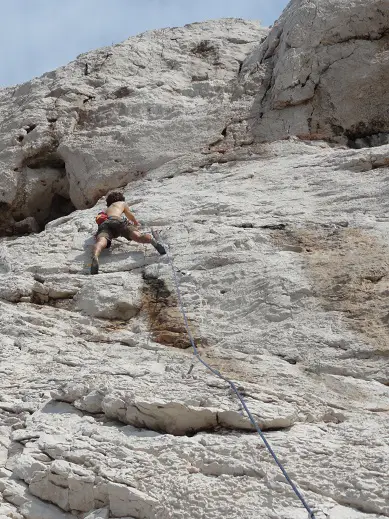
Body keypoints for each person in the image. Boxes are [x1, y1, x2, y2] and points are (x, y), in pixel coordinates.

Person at [91, 191, 166, 274]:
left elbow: (100, 219)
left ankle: (95, 255)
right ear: (121, 198)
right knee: (138, 237)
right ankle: (151, 240)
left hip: (106, 224)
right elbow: (129, 214)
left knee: (101, 242)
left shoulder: (106, 210)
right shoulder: (122, 203)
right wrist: (135, 223)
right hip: (118, 221)